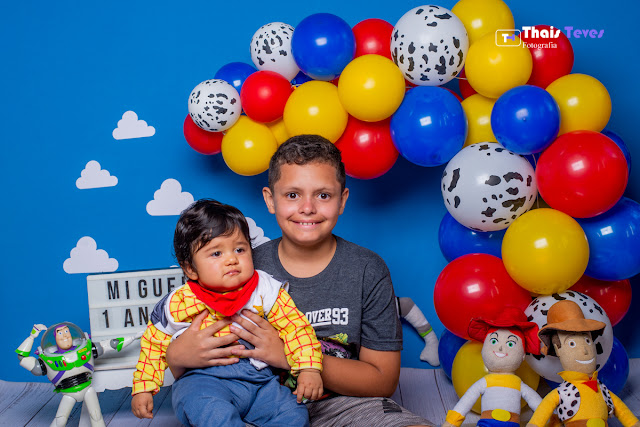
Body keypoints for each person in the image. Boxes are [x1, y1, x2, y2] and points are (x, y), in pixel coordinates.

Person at [166, 135, 434, 426]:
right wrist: (177, 356)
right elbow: (195, 357)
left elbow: (383, 381)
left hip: (343, 404)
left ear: (342, 200)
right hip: (257, 401)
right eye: (292, 195)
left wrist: (289, 355)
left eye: (323, 195)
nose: (307, 207)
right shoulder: (240, 266)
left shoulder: (367, 269)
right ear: (270, 199)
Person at [131, 199, 323, 426]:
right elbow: (153, 344)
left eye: (240, 249)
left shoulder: (265, 289)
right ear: (190, 268)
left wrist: (309, 368)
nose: (232, 259)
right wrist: (144, 388)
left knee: (293, 414)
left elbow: (296, 327)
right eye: (216, 253)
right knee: (208, 410)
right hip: (202, 381)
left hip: (260, 382)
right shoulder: (179, 302)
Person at [527, 300, 639, 427]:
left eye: (587, 341)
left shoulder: (601, 389)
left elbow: (621, 409)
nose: (585, 350)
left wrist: (633, 423)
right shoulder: (563, 392)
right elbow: (545, 408)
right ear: (558, 349)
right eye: (572, 343)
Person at [442, 307, 542, 427]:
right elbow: (466, 402)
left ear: (523, 355)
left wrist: (539, 422)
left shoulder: (518, 384)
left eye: (510, 344)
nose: (500, 348)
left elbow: (538, 405)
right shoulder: (485, 382)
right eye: (494, 341)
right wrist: (452, 421)